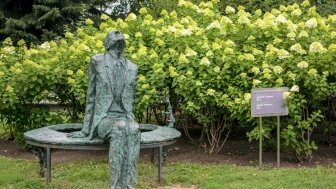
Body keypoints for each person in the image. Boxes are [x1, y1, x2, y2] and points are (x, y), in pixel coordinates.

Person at [68, 30, 140, 189]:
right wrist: (86, 129)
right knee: (119, 128)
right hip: (104, 118)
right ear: (108, 44)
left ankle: (129, 186)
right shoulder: (97, 61)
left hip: (125, 117)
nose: (118, 37)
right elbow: (91, 96)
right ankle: (115, 187)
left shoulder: (133, 68)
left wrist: (129, 119)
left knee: (134, 129)